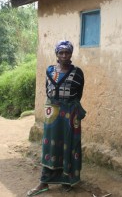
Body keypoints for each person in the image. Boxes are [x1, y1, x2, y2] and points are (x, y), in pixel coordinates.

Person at [27, 40, 86, 196]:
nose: (64, 55)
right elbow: (48, 90)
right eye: (61, 52)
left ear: (71, 54)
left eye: (67, 52)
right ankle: (44, 182)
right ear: (57, 54)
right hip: (52, 112)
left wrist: (67, 106)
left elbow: (79, 94)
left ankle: (67, 179)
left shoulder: (78, 73)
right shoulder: (49, 70)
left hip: (70, 112)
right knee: (50, 145)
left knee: (69, 144)